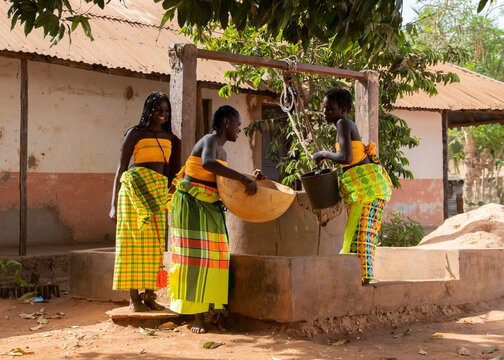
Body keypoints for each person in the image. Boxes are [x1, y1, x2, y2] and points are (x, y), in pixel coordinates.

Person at [169, 105, 261, 333]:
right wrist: (242, 177)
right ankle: (197, 316)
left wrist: (251, 178)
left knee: (218, 260)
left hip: (210, 206)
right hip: (190, 204)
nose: (240, 130)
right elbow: (207, 164)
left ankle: (217, 311)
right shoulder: (210, 140)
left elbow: (222, 180)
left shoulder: (225, 151)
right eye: (238, 124)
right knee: (195, 260)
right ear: (226, 122)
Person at [314, 87, 392, 285]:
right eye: (324, 108)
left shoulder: (342, 123)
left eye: (329, 108)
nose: (325, 112)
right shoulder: (345, 123)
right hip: (369, 188)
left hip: (368, 189)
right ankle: (360, 276)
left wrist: (323, 154)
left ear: (342, 109)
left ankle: (360, 278)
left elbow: (345, 157)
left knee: (362, 232)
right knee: (362, 232)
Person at [110, 91, 179, 311]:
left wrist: (169, 198)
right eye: (158, 109)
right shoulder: (135, 133)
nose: (162, 114)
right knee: (132, 244)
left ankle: (150, 295)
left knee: (155, 246)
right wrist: (112, 205)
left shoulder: (171, 138)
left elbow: (171, 174)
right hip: (134, 191)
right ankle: (133, 298)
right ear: (148, 109)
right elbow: (120, 169)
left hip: (157, 192)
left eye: (166, 110)